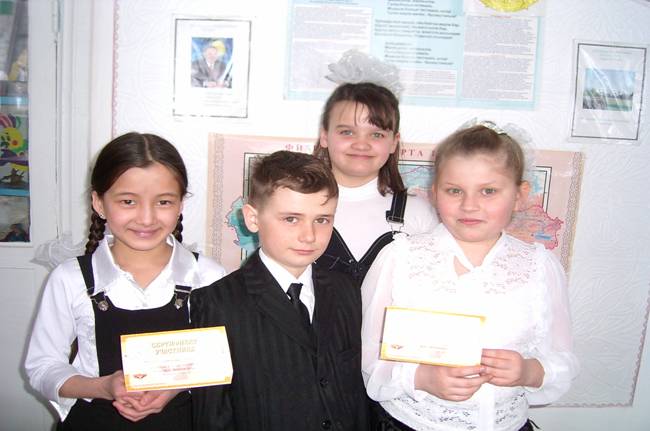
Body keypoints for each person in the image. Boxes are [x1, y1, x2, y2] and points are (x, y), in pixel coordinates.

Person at [361, 122, 580, 430]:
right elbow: (368, 359)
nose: (469, 205)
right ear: (435, 193)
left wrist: (528, 371)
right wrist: (423, 377)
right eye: (454, 191)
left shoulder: (540, 267)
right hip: (411, 424)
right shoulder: (399, 258)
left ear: (519, 195)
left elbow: (562, 358)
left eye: (488, 191)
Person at [25, 132, 226, 431]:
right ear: (99, 202)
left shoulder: (209, 277)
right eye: (128, 201)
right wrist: (103, 387)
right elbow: (42, 366)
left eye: (163, 202)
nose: (146, 218)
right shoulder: (70, 279)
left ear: (181, 203)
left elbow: (223, 358)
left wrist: (174, 386)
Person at [191, 150, 367, 430]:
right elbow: (213, 414)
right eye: (291, 219)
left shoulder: (346, 289)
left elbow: (355, 392)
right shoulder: (217, 303)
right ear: (252, 219)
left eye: (322, 219)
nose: (309, 235)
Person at [313, 57, 437, 284]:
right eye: (347, 132)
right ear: (324, 136)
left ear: (393, 142)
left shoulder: (420, 213)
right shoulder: (296, 207)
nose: (361, 144)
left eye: (376, 134)